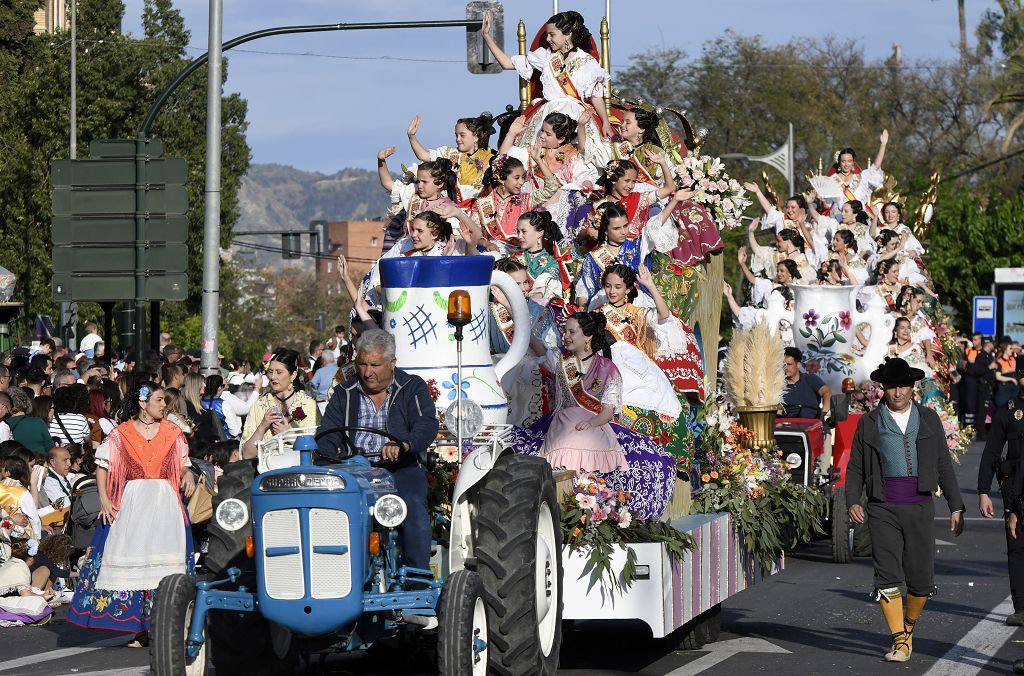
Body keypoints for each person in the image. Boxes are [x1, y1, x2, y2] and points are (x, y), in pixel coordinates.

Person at [846, 357, 965, 663]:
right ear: (883, 388)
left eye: (902, 386)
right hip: (882, 506)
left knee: (921, 581)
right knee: (886, 574)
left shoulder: (928, 419)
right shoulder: (869, 422)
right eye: (890, 386)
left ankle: (908, 626)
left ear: (912, 387)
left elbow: (942, 464)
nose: (897, 392)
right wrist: (852, 501)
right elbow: (856, 467)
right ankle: (899, 640)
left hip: (920, 505)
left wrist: (956, 505)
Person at [511, 312, 677, 520]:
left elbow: (608, 410)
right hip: (560, 425)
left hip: (596, 424)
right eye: (565, 331)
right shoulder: (560, 360)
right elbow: (537, 347)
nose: (566, 336)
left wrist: (591, 423)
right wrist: (517, 316)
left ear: (588, 336)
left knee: (647, 462)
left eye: (572, 332)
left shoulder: (608, 369)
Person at [67, 381, 196, 644]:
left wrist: (188, 473)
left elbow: (183, 464)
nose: (164, 405)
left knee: (163, 562)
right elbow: (102, 467)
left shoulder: (173, 432)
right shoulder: (121, 434)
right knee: (133, 556)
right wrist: (104, 499)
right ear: (143, 402)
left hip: (165, 504)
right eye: (159, 400)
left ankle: (158, 624)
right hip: (133, 502)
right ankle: (139, 627)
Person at [316, 330, 439, 573]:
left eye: (375, 364)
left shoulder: (411, 387)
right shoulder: (345, 392)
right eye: (362, 364)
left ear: (392, 363)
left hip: (400, 467)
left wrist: (404, 445)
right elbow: (329, 432)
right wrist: (325, 457)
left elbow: (426, 424)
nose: (367, 372)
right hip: (353, 469)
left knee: (412, 503)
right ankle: (332, 571)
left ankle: (418, 576)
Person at [481, 10, 612, 162]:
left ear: (568, 33)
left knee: (580, 157)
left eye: (552, 34)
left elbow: (596, 95)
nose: (548, 39)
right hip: (547, 113)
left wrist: (605, 122)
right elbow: (507, 63)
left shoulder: (587, 62)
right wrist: (486, 37)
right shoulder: (545, 56)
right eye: (547, 35)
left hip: (576, 115)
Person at [979, 357, 1024, 626]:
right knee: (1016, 547)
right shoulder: (1009, 409)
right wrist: (983, 491)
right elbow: (992, 451)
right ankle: (1020, 607)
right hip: (1015, 485)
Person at [240, 349, 319, 460]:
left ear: (293, 375)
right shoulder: (258, 406)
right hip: (265, 473)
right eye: (270, 372)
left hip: (300, 472)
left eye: (279, 372)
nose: (273, 377)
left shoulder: (308, 405)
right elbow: (247, 454)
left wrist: (288, 435)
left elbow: (316, 452)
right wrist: (263, 426)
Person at [406, 112, 495, 201]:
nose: (458, 139)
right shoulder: (448, 153)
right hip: (449, 208)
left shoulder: (490, 158)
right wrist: (411, 136)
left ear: (476, 137)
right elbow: (423, 155)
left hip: (476, 209)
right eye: (456, 135)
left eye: (462, 135)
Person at [780, 347, 832, 420]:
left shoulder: (810, 379)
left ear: (798, 365)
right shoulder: (778, 386)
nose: (785, 367)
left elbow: (826, 392)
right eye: (783, 364)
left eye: (789, 364)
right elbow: (777, 411)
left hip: (813, 423)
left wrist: (823, 413)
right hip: (789, 426)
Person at [5, 387, 54, 454]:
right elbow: (51, 448)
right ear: (25, 400)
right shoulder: (37, 422)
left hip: (16, 463)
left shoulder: (4, 424)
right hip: (40, 462)